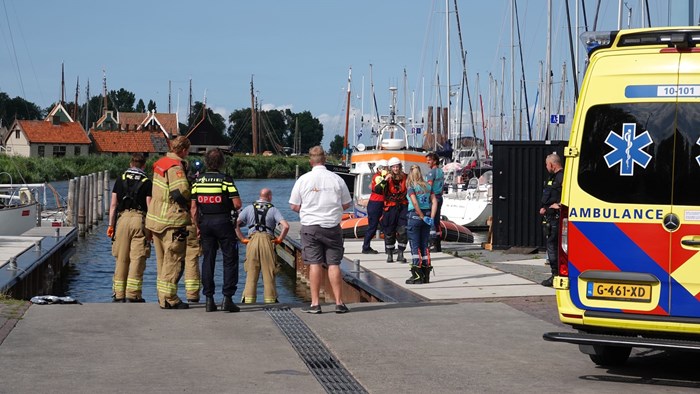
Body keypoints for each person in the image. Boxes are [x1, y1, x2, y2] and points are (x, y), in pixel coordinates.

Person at [289, 146, 352, 314]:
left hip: (311, 227)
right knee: (334, 264)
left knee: (314, 264)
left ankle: (315, 304)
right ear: (324, 160)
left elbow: (294, 205)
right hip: (332, 226)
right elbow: (347, 204)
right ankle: (339, 303)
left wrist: (307, 208)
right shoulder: (337, 179)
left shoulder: (303, 179)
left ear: (311, 161)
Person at [190, 148, 242, 312]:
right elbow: (237, 204)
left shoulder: (198, 182)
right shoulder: (225, 180)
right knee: (229, 259)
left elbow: (193, 208)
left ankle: (209, 299)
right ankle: (227, 298)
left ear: (206, 162)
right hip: (223, 222)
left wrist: (197, 226)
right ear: (221, 162)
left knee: (208, 260)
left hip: (205, 222)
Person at [146, 136, 192, 310]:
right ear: (184, 150)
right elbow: (181, 192)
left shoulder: (160, 163)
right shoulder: (175, 167)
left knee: (161, 262)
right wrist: (191, 196)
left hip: (156, 220)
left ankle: (161, 297)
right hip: (171, 220)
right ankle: (169, 298)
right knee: (173, 261)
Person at [107, 153, 152, 302]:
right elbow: (150, 207)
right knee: (137, 258)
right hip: (139, 220)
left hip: (122, 220)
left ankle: (118, 295)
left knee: (121, 258)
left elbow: (113, 205)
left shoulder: (121, 179)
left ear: (130, 164)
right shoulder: (147, 182)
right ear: (143, 166)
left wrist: (110, 226)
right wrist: (150, 231)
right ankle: (133, 295)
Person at [236, 188, 289, 304]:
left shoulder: (249, 208)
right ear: (269, 196)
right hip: (267, 240)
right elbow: (285, 226)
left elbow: (236, 223)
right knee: (269, 272)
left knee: (251, 272)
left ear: (259, 196)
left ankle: (248, 301)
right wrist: (279, 239)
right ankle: (270, 301)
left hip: (252, 240)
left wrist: (242, 238)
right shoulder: (273, 210)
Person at [405, 165, 438, 284]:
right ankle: (426, 274)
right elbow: (434, 201)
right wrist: (431, 217)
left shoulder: (411, 186)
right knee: (424, 245)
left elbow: (414, 202)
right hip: (428, 215)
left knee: (415, 245)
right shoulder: (428, 186)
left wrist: (421, 216)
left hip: (415, 216)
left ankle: (417, 275)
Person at [540, 153, 564, 287]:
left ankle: (556, 275)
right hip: (550, 216)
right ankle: (555, 274)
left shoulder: (562, 177)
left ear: (552, 164)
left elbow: (569, 193)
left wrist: (559, 205)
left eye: (546, 164)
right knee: (551, 246)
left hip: (557, 218)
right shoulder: (553, 177)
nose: (546, 166)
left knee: (553, 246)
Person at [379, 157, 408, 263]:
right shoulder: (386, 178)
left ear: (400, 167)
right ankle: (390, 254)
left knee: (403, 231)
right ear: (391, 168)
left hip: (402, 207)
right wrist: (385, 180)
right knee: (389, 232)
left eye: (397, 166)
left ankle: (401, 253)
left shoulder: (406, 177)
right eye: (394, 167)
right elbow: (378, 189)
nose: (396, 169)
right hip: (390, 208)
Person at [184, 158, 204, 303]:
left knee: (171, 259)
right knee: (192, 259)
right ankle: (192, 295)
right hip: (192, 223)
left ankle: (166, 294)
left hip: (176, 222)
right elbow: (195, 208)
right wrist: (197, 226)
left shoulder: (180, 182)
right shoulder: (201, 183)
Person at [361, 159, 387, 254]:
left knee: (385, 226)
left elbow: (370, 186)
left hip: (380, 203)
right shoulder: (378, 177)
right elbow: (379, 188)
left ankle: (388, 247)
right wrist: (386, 178)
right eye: (385, 168)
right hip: (375, 203)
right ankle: (366, 247)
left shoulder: (378, 177)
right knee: (372, 226)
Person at [425, 152, 445, 252]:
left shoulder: (431, 173)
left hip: (433, 198)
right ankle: (438, 245)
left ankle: (432, 244)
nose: (427, 162)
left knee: (430, 220)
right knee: (436, 221)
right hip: (439, 197)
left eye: (429, 160)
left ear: (435, 161)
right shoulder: (441, 171)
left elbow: (429, 186)